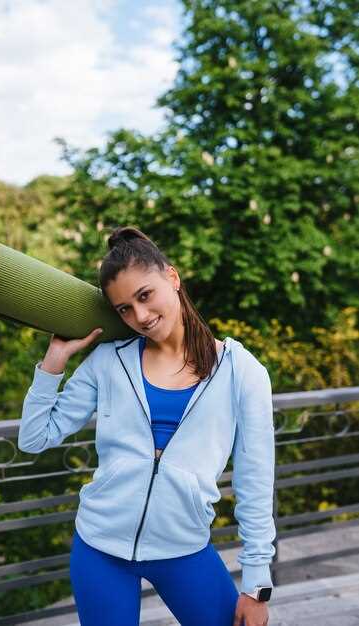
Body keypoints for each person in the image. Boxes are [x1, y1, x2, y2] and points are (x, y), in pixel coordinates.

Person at [18, 226, 276, 626]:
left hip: (184, 548)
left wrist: (257, 583)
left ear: (172, 278)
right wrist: (54, 361)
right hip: (99, 548)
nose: (140, 316)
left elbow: (256, 481)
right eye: (124, 309)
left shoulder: (241, 372)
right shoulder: (108, 362)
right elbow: (35, 438)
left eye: (145, 295)